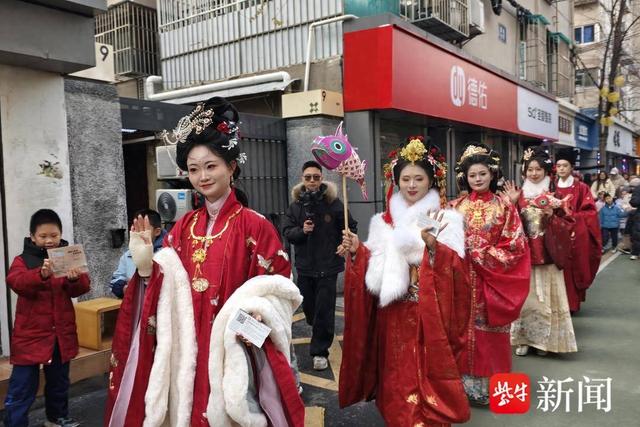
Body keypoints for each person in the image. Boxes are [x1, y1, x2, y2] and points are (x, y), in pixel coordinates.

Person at [105, 97, 304, 427]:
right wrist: (146, 267)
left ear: (231, 167)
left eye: (211, 166)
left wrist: (259, 318)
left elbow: (278, 289)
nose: (202, 176)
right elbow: (164, 289)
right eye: (194, 169)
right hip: (188, 345)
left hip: (233, 343)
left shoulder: (255, 226)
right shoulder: (183, 227)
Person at [338, 137, 471, 426]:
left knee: (424, 381)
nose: (412, 185)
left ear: (431, 181)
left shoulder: (445, 218)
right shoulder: (383, 221)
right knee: (395, 381)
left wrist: (435, 249)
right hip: (392, 316)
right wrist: (358, 251)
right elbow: (372, 265)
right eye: (406, 179)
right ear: (396, 181)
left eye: (419, 179)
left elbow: (459, 275)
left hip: (427, 318)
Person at [450, 143, 530, 405]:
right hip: (461, 281)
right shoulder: (455, 206)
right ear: (465, 177)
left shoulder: (504, 207)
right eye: (472, 175)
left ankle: (491, 389)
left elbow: (515, 246)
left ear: (492, 174)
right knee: (460, 333)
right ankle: (463, 388)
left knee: (489, 335)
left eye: (482, 174)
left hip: (491, 282)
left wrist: (481, 252)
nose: (477, 179)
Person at [4, 209, 90, 427]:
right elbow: (16, 282)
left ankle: (56, 418)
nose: (49, 240)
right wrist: (40, 275)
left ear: (60, 234)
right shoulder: (22, 260)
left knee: (59, 381)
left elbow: (82, 287)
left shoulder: (69, 256)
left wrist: (74, 279)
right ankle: (15, 422)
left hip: (61, 333)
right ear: (32, 237)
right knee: (23, 385)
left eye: (54, 235)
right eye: (43, 236)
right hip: (30, 334)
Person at [282, 160, 356, 371]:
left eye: (316, 177)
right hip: (305, 266)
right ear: (302, 179)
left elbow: (350, 226)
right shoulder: (296, 206)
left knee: (324, 310)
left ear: (321, 178)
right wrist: (302, 231)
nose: (312, 181)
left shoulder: (334, 203)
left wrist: (344, 243)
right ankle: (318, 326)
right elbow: (287, 232)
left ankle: (320, 351)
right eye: (308, 177)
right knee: (310, 309)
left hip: (329, 265)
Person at [505, 147, 577, 357]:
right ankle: (523, 339)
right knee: (526, 299)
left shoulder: (556, 196)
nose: (534, 173)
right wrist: (511, 205)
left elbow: (569, 225)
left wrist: (552, 216)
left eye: (538, 169)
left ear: (546, 171)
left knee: (547, 299)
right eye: (530, 169)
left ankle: (545, 342)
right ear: (524, 172)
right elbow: (508, 226)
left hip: (548, 257)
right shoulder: (518, 195)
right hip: (524, 257)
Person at [554, 148, 602, 312]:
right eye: (559, 166)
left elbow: (590, 212)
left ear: (572, 167)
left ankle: (571, 304)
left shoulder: (581, 187)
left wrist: (571, 216)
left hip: (574, 235)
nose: (561, 169)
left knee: (572, 269)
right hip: (555, 235)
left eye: (565, 166)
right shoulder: (551, 187)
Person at [109, 209, 167, 298]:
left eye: (144, 228)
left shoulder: (167, 254)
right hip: (134, 303)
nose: (139, 233)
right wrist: (125, 289)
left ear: (157, 232)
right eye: (136, 229)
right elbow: (114, 281)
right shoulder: (128, 255)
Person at [628, 177, 640, 260]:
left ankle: (635, 253)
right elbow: (634, 202)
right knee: (637, 234)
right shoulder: (638, 189)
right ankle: (635, 253)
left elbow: (634, 202)